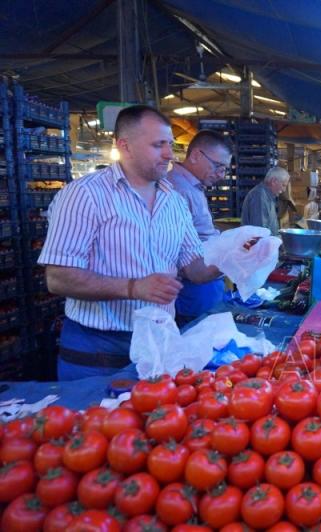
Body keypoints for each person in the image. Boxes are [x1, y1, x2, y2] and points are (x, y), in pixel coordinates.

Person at [38, 104, 222, 381]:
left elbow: (195, 268)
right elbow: (59, 278)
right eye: (158, 144)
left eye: (170, 144)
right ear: (125, 145)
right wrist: (133, 287)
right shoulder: (84, 195)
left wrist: (236, 258)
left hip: (159, 345)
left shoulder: (173, 201)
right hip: (98, 351)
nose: (169, 154)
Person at [167, 130, 232, 325]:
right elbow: (180, 253)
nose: (221, 174)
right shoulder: (176, 189)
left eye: (225, 169)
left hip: (205, 282)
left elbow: (201, 233)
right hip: (192, 287)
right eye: (219, 166)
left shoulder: (194, 187)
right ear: (196, 155)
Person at [240, 166, 290, 236]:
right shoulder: (259, 196)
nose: (284, 190)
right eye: (283, 185)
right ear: (274, 181)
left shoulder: (268, 195)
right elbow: (260, 232)